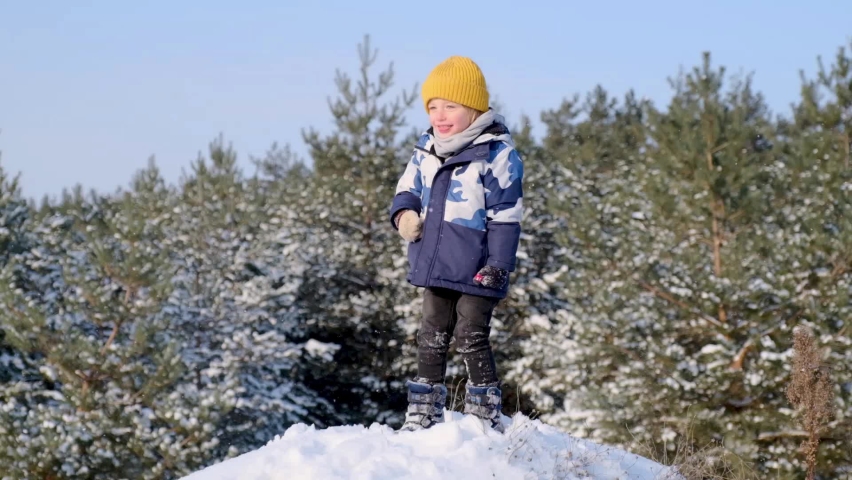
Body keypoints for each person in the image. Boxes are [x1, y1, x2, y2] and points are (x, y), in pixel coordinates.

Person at [388, 56, 524, 434]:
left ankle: (484, 410)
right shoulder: (427, 148)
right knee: (430, 334)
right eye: (433, 106)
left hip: (478, 266)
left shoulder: (496, 154)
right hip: (436, 261)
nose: (440, 115)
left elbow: (506, 215)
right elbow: (407, 188)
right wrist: (404, 216)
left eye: (451, 105)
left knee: (470, 335)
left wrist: (498, 266)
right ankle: (423, 411)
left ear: (474, 107)